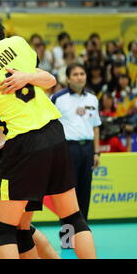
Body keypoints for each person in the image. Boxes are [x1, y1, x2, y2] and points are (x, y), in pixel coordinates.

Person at [0, 10, 96, 259]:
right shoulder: (16, 43)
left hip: (22, 142)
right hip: (54, 131)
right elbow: (39, 76)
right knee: (73, 218)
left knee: (5, 229)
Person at [0, 15, 60, 259]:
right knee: (23, 228)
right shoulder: (22, 60)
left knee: (11, 229)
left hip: (15, 150)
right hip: (40, 142)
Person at [51, 63, 102, 222]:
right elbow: (51, 126)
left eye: (82, 74)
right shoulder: (58, 98)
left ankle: (82, 231)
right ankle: (67, 233)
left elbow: (96, 127)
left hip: (87, 149)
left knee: (85, 191)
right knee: (67, 192)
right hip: (68, 149)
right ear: (68, 78)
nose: (80, 77)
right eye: (75, 74)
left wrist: (96, 152)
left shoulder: (93, 98)